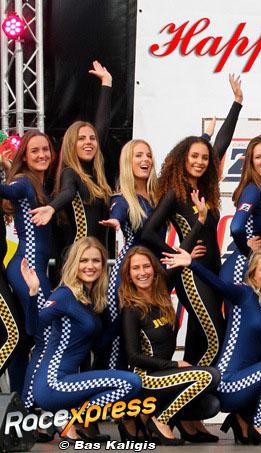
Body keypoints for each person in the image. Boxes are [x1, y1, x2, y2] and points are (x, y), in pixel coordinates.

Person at [141, 74, 243, 368]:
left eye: (204, 158)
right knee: (216, 336)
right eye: (194, 157)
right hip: (190, 274)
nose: (200, 161)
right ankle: (201, 383)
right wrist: (178, 254)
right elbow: (148, 232)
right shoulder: (174, 192)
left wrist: (237, 103)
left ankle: (189, 396)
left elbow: (220, 143)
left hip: (211, 270)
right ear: (183, 159)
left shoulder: (205, 189)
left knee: (199, 336)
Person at [162, 246, 261, 446]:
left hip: (249, 380)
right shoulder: (244, 294)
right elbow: (219, 285)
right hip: (228, 383)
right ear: (253, 274)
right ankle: (259, 423)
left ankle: (244, 415)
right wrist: (192, 264)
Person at [21, 237, 141, 441]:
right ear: (74, 263)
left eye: (96, 261)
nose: (90, 266)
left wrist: (123, 314)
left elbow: (99, 345)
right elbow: (33, 328)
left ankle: (67, 420)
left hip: (67, 383)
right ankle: (67, 418)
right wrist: (33, 293)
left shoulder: (91, 298)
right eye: (84, 260)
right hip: (52, 383)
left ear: (103, 265)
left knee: (128, 384)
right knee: (131, 383)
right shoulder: (64, 295)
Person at [120, 246, 220, 445]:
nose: (142, 272)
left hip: (164, 375)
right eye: (136, 268)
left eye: (146, 266)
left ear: (155, 270)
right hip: (145, 377)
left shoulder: (162, 300)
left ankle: (155, 417)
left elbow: (178, 265)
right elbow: (133, 357)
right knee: (209, 376)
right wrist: (175, 365)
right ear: (129, 276)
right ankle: (160, 421)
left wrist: (189, 255)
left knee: (211, 404)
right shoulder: (131, 309)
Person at [30, 61, 114, 258]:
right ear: (71, 145)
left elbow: (101, 127)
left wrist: (107, 83)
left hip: (97, 258)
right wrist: (51, 208)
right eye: (81, 138)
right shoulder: (70, 173)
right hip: (77, 258)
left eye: (92, 138)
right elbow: (68, 192)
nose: (88, 142)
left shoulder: (96, 175)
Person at [0, 132, 56, 393]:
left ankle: (20, 400)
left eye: (45, 149)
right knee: (46, 334)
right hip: (27, 268)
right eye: (35, 151)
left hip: (29, 267)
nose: (42, 155)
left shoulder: (40, 184)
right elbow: (7, 190)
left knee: (24, 339)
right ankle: (33, 399)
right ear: (24, 156)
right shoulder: (24, 183)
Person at [98, 139, 160, 370]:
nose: (145, 160)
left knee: (146, 336)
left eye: (148, 155)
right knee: (118, 335)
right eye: (138, 155)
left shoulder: (158, 195)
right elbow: (118, 212)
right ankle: (109, 382)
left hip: (152, 275)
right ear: (127, 162)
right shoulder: (122, 198)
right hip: (127, 275)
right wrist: (115, 221)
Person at [220, 135, 261, 284]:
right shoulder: (253, 190)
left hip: (259, 268)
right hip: (240, 270)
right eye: (258, 157)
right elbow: (236, 228)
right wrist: (248, 252)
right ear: (251, 163)